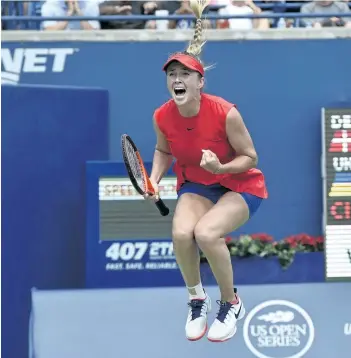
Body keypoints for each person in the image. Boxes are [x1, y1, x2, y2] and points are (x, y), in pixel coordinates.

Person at [146, 0, 268, 342]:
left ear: (200, 81)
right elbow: (162, 150)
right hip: (197, 185)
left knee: (207, 233)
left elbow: (251, 158)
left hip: (240, 185)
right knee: (182, 233)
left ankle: (230, 302)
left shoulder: (226, 112)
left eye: (185, 74)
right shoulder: (162, 116)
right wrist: (154, 178)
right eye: (172, 74)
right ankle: (197, 298)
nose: (177, 79)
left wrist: (221, 166)